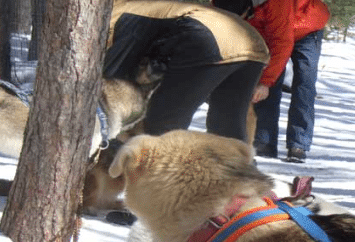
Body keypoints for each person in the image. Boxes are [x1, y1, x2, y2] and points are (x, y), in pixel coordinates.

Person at [103, 0, 269, 143]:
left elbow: (112, 76)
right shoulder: (133, 8)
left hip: (211, 38)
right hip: (251, 42)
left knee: (163, 122)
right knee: (226, 130)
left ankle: (156, 174)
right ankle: (235, 173)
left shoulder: (111, 16)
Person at [214, 0, 330, 163]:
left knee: (304, 85)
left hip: (306, 27)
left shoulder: (277, 3)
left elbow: (282, 42)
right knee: (268, 83)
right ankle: (265, 142)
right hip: (272, 28)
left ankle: (298, 143)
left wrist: (265, 82)